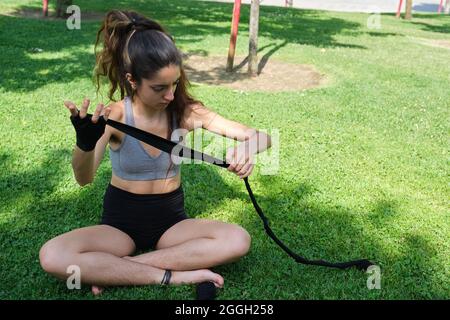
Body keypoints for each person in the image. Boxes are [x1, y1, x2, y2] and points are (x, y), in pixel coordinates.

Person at [39, 9, 271, 297]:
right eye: (160, 87)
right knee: (52, 255)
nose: (171, 95)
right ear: (132, 80)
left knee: (238, 239)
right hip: (119, 225)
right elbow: (84, 178)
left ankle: (121, 269)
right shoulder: (115, 116)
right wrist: (84, 144)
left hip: (171, 223)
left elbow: (261, 136)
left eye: (174, 83)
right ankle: (172, 276)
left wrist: (248, 148)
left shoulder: (185, 112)